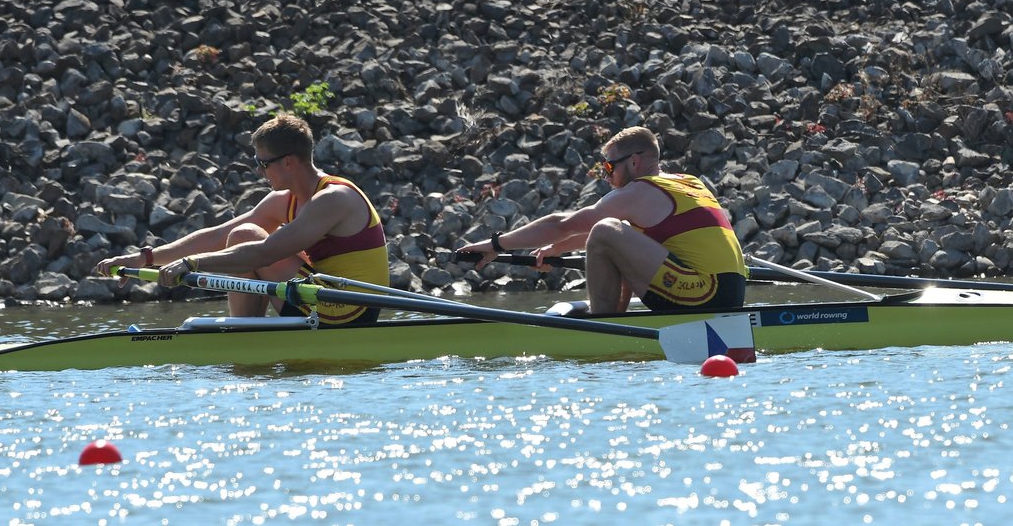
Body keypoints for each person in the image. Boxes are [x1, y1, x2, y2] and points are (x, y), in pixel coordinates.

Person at [93, 113, 389, 325]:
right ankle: (246, 333)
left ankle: (243, 335)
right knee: (240, 234)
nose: (259, 172)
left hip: (347, 312)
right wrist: (145, 259)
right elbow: (218, 235)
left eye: (263, 163)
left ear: (288, 162)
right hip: (322, 299)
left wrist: (192, 264)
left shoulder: (334, 198)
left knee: (247, 238)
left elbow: (264, 253)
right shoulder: (284, 201)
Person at [460, 126, 747, 314]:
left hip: (705, 293)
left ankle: (603, 323)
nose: (606, 176)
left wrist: (497, 243)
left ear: (634, 162)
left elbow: (564, 224)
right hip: (730, 293)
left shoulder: (640, 190)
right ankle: (613, 316)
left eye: (608, 166)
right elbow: (622, 240)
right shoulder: (689, 181)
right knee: (613, 232)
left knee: (606, 229)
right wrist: (557, 250)